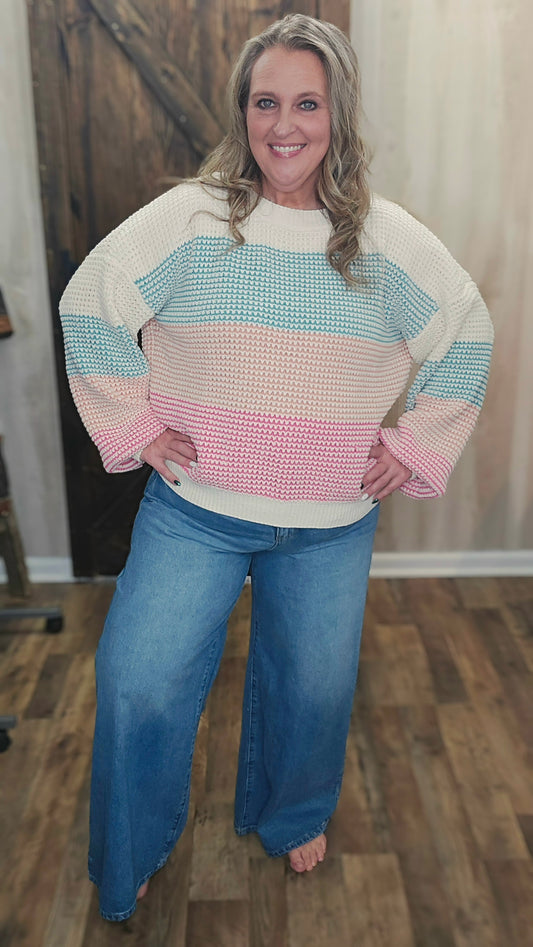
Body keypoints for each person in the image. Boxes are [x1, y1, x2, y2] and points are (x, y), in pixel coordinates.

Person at [59, 13, 493, 922]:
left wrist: (412, 444)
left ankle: (290, 810)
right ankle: (132, 847)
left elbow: (466, 332)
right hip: (194, 512)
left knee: (313, 690)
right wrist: (134, 426)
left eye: (307, 103)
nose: (284, 125)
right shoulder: (193, 218)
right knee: (138, 680)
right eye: (265, 103)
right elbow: (90, 301)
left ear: (338, 116)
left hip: (328, 525)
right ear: (242, 112)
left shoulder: (383, 239)